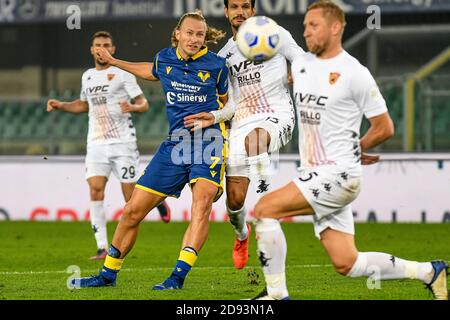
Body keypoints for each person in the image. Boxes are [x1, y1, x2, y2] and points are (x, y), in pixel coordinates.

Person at [247, 0, 448, 300]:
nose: (306, 32)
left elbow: (384, 127)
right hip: (315, 174)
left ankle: (276, 296)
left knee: (264, 211)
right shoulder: (301, 66)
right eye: (304, 27)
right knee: (347, 262)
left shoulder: (355, 72)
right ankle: (430, 272)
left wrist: (358, 148)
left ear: (336, 27)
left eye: (313, 26)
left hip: (339, 175)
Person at [70, 11, 229, 290]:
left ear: (205, 38)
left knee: (200, 205)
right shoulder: (164, 58)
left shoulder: (217, 66)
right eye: (189, 33)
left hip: (209, 142)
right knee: (132, 211)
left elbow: (231, 106)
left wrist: (216, 120)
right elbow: (150, 70)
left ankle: (177, 277)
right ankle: (108, 274)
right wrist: (115, 61)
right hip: (175, 143)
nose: (194, 39)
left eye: (200, 34)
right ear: (178, 33)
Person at [184, 0, 304, 270]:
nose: (240, 11)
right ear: (226, 12)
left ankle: (265, 201)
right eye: (234, 6)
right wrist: (213, 117)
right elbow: (230, 104)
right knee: (235, 199)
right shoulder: (224, 56)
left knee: (256, 140)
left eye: (245, 6)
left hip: (277, 114)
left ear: (253, 10)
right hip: (240, 123)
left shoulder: (274, 34)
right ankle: (242, 235)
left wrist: (300, 71)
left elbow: (300, 57)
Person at [46, 31, 171, 261]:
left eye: (106, 45)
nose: (102, 48)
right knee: (95, 190)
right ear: (92, 50)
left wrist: (133, 108)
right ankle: (103, 247)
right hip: (96, 144)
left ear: (112, 49)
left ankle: (157, 204)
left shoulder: (122, 74)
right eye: (97, 45)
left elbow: (143, 104)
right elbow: (84, 105)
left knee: (131, 199)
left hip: (123, 143)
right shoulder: (88, 76)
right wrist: (61, 105)